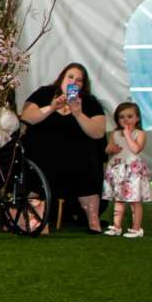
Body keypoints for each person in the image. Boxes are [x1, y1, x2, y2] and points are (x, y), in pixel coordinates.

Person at [22, 61, 110, 232]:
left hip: (77, 157)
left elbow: (98, 132)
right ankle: (37, 217)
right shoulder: (44, 94)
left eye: (79, 80)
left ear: (83, 85)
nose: (74, 82)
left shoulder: (89, 102)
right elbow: (27, 116)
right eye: (70, 77)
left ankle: (93, 222)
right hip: (44, 154)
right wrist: (52, 107)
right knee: (39, 162)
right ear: (62, 77)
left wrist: (77, 113)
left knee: (87, 163)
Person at [103, 101, 152, 237]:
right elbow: (108, 148)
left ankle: (137, 228)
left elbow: (136, 149)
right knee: (118, 199)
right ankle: (117, 226)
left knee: (134, 200)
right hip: (118, 170)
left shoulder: (139, 133)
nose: (125, 120)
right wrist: (111, 149)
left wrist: (128, 135)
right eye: (121, 117)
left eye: (129, 116)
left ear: (137, 118)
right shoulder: (115, 133)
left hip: (132, 170)